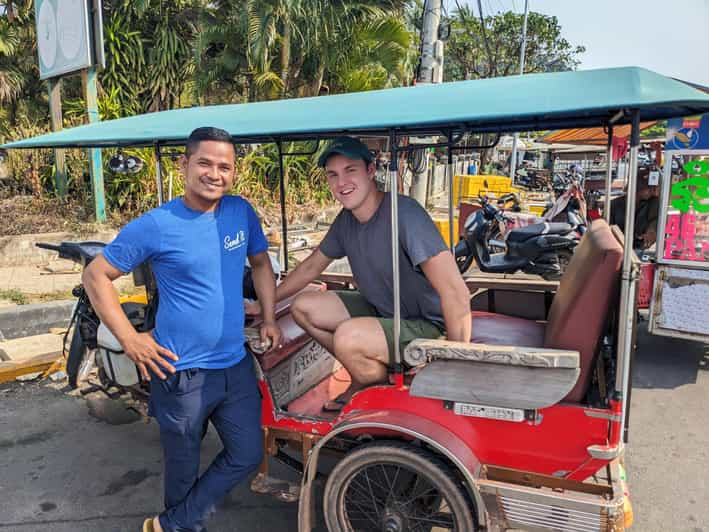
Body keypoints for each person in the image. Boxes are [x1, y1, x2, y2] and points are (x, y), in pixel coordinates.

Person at [82, 127, 281, 532]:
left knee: (246, 454)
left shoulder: (240, 211)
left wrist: (270, 315)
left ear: (234, 172)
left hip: (235, 365)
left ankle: (170, 524)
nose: (215, 173)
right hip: (180, 371)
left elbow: (260, 263)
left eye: (225, 166)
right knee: (183, 470)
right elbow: (96, 275)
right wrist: (131, 339)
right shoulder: (157, 224)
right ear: (184, 164)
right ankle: (183, 523)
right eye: (205, 163)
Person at [246, 136, 471, 411]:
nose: (341, 183)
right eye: (333, 175)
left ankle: (376, 389)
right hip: (383, 311)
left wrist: (456, 367)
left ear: (371, 170)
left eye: (350, 170)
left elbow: (455, 291)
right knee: (304, 307)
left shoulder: (405, 214)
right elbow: (309, 267)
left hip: (428, 327)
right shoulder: (346, 221)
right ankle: (367, 375)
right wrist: (264, 305)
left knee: (348, 337)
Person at [609, 166, 660, 249]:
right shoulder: (614, 204)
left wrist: (651, 233)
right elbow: (608, 227)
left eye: (652, 188)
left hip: (638, 248)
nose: (652, 191)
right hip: (618, 247)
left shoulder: (652, 203)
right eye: (648, 188)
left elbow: (655, 221)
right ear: (637, 187)